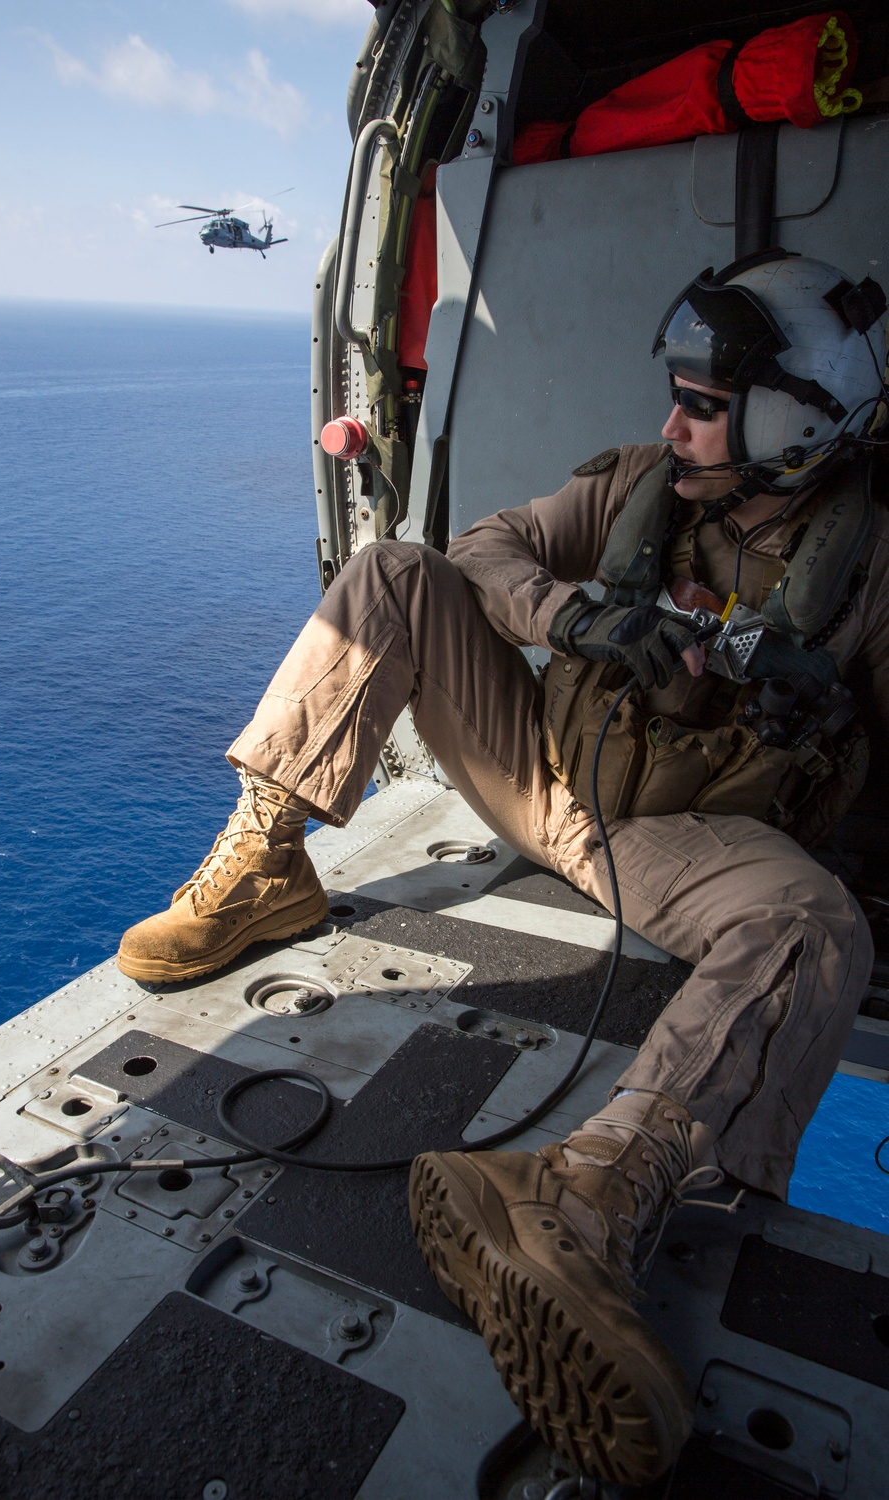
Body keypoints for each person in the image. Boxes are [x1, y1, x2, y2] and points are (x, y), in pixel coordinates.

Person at [117, 251, 888, 1486]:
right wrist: (577, 619)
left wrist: (822, 721)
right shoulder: (641, 485)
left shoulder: (875, 571)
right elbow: (482, 551)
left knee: (815, 922)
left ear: (789, 417)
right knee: (393, 572)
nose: (668, 421)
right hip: (545, 776)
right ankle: (265, 864)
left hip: (680, 844)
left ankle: (584, 1197)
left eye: (698, 403)